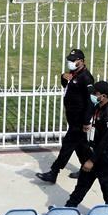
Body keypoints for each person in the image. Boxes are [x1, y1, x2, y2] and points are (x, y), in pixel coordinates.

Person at [37, 48, 94, 183]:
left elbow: (90, 101)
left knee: (67, 145)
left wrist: (86, 121)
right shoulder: (74, 73)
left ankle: (53, 172)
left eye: (74, 60)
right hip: (72, 117)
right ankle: (89, 168)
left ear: (82, 61)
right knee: (81, 146)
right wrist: (63, 77)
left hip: (79, 120)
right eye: (70, 60)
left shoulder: (86, 78)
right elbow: (67, 86)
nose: (71, 62)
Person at [66, 81, 108, 207]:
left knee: (107, 188)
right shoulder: (98, 108)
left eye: (96, 93)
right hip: (91, 153)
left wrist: (92, 161)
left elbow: (104, 142)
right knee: (82, 184)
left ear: (104, 96)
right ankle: (68, 208)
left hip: (103, 158)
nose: (93, 95)